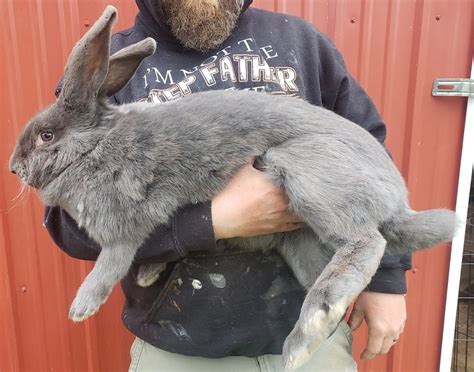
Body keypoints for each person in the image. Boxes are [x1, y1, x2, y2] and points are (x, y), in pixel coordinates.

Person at [45, 0, 412, 370]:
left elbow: (366, 152)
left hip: (312, 340)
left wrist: (386, 279)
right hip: (181, 351)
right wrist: (213, 220)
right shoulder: (106, 75)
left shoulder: (300, 43)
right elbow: (73, 228)